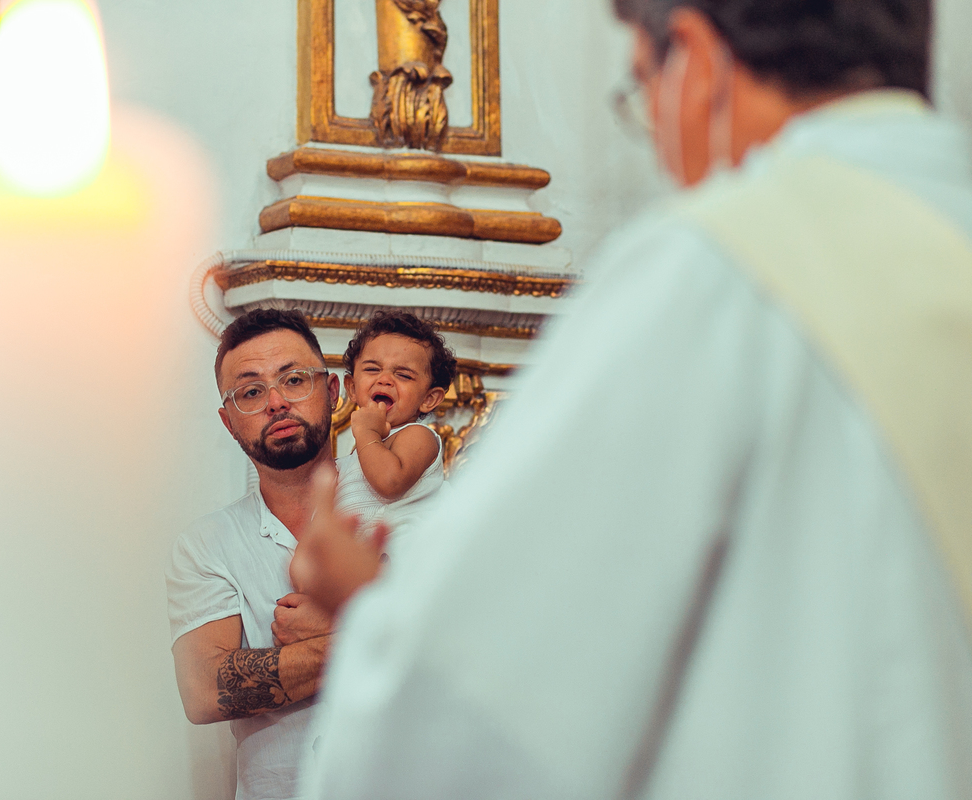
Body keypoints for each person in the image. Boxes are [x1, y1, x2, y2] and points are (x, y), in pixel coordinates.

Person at [292, 0, 972, 797]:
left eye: (644, 90)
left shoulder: (716, 269)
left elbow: (477, 713)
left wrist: (367, 609)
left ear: (696, 58)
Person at [167, 309, 341, 800]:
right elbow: (203, 691)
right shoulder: (205, 545)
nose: (277, 402)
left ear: (333, 392)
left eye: (294, 379)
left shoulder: (407, 508)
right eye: (251, 391)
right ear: (228, 422)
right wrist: (360, 634)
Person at [331, 311, 455, 551]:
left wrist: (367, 433)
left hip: (403, 558)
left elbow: (389, 482)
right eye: (372, 369)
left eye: (403, 375)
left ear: (429, 399)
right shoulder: (365, 448)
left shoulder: (418, 435)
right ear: (352, 388)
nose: (385, 379)